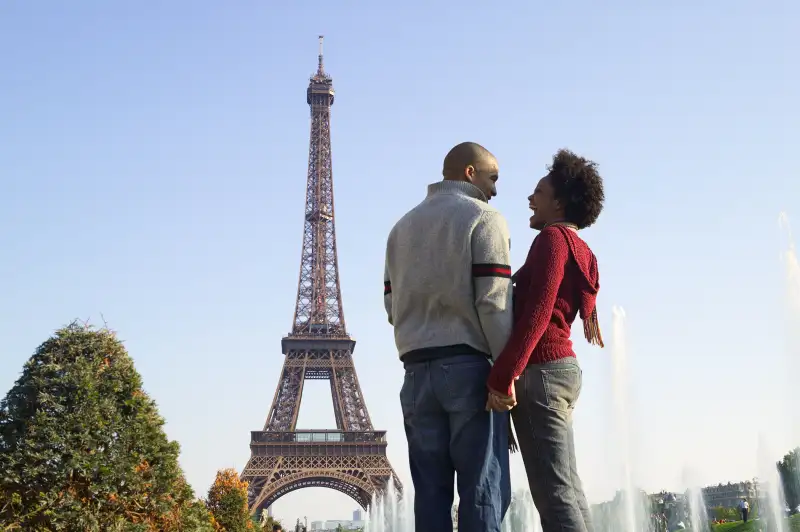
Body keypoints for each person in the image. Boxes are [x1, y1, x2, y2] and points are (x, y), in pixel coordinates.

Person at [383, 142, 514, 531]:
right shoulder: (485, 218)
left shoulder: (400, 228)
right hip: (469, 370)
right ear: (470, 173)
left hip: (415, 373)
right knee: (482, 492)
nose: (496, 189)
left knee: (431, 497)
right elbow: (493, 302)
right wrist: (505, 373)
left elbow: (391, 308)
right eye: (493, 178)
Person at [486, 148, 606, 532]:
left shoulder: (552, 240)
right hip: (563, 371)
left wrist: (503, 376)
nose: (529, 198)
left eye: (538, 191)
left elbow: (538, 312)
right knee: (568, 489)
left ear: (558, 202)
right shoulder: (580, 247)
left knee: (553, 496)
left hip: (540, 372)